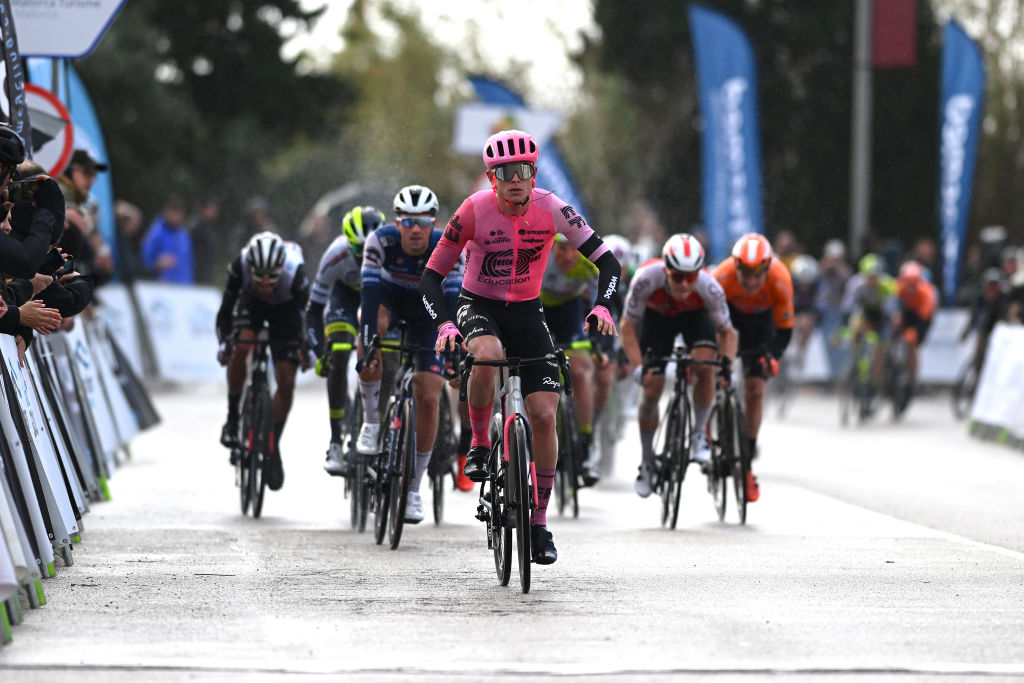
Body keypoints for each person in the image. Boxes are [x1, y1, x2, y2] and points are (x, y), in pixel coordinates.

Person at [421, 129, 621, 565]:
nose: (516, 180)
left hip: (529, 312)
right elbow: (432, 276)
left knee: (547, 415)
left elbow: (607, 260)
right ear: (492, 178)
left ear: (534, 174)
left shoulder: (553, 208)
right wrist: (443, 324)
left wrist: (604, 305)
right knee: (488, 356)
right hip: (479, 305)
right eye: (505, 172)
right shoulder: (473, 210)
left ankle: (539, 522)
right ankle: (475, 442)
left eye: (524, 171)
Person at [354, 184, 463, 524]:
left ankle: (413, 488)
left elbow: (455, 303)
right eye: (408, 221)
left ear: (434, 222)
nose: (415, 229)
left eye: (423, 221)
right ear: (397, 222)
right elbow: (370, 299)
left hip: (429, 313)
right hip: (388, 302)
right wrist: (370, 344)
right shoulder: (380, 242)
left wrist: (453, 354)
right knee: (367, 327)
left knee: (429, 393)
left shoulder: (448, 245)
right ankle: (372, 422)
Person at [621, 233, 737, 498]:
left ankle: (698, 434)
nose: (685, 284)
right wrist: (639, 367)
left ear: (699, 273)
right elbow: (628, 327)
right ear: (666, 270)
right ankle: (648, 461)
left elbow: (727, 333)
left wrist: (727, 365)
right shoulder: (646, 278)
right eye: (677, 277)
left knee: (705, 367)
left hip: (695, 318)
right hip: (657, 319)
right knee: (651, 389)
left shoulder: (709, 286)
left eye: (691, 277)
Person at [216, 231, 311, 491]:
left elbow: (307, 316)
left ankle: (272, 445)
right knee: (241, 347)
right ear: (250, 269)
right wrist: (225, 343)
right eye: (260, 276)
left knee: (287, 379)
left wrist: (305, 347)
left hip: (287, 309)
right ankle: (233, 417)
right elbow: (225, 311)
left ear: (282, 268)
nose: (267, 283)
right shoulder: (240, 267)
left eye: (272, 276)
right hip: (252, 304)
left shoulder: (296, 275)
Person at [305, 205, 385, 475]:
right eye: (358, 252)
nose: (364, 259)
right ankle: (336, 442)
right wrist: (320, 351)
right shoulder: (335, 255)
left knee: (388, 354)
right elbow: (314, 310)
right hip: (345, 298)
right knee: (338, 349)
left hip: (379, 297)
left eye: (369, 252)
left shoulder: (392, 251)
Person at [713, 234, 794, 495]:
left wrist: (772, 356)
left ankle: (747, 459)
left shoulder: (780, 280)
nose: (750, 282)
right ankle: (714, 426)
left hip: (761, 326)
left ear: (768, 269)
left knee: (756, 391)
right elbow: (708, 323)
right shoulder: (722, 277)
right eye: (744, 274)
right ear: (735, 267)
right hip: (729, 321)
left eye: (757, 275)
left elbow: (784, 331)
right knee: (715, 372)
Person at [539, 234, 604, 486]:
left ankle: (586, 445)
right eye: (561, 249)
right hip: (539, 310)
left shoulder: (589, 263)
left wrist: (601, 343)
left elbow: (603, 305)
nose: (568, 256)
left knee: (579, 371)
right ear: (551, 247)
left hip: (570, 313)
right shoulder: (540, 259)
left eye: (573, 249)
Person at [893, 261, 938, 399]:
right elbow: (892, 305)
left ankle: (912, 380)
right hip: (905, 313)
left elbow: (924, 317)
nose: (910, 286)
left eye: (913, 282)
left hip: (921, 318)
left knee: (912, 343)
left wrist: (913, 333)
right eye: (908, 282)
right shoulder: (897, 287)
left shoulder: (927, 292)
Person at [141, 196, 194, 283]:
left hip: (183, 288)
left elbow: (189, 265)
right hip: (161, 288)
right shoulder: (155, 233)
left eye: (178, 213)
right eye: (173, 212)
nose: (175, 216)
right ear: (166, 212)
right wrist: (157, 264)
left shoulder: (184, 236)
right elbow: (144, 263)